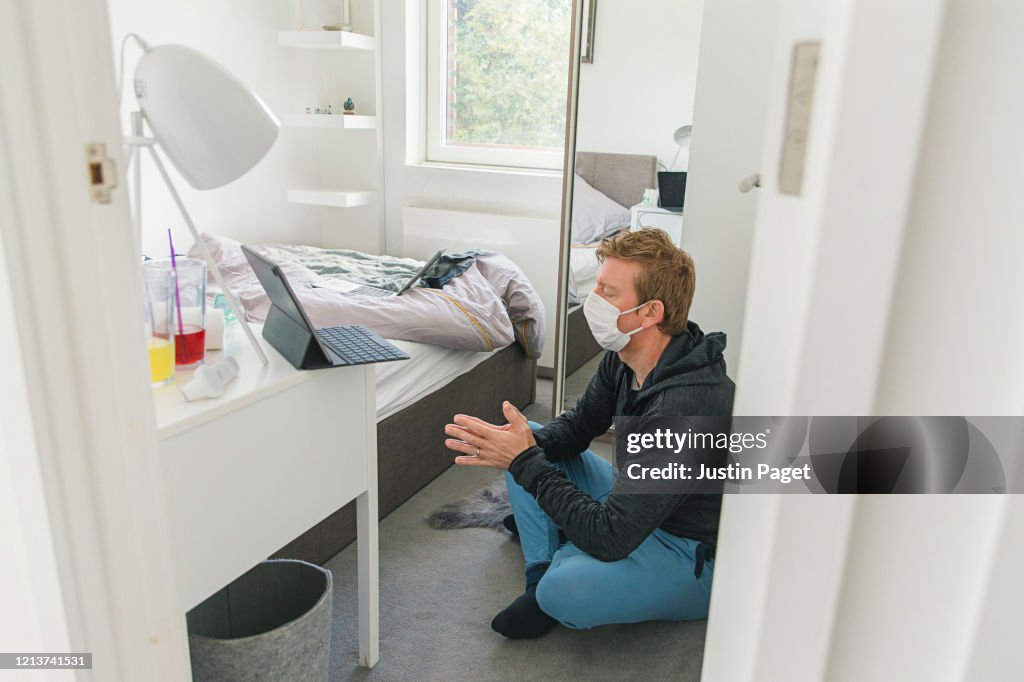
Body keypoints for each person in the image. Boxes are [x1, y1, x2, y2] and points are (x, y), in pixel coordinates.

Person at [444, 228, 735, 639]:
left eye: (608, 293)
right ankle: (540, 573)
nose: (593, 301)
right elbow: (577, 430)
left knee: (566, 590)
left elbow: (612, 537)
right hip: (633, 501)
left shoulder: (687, 406)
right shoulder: (625, 356)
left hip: (685, 549)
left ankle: (557, 555)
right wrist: (517, 447)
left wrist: (530, 468)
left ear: (650, 313)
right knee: (527, 437)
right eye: (596, 287)